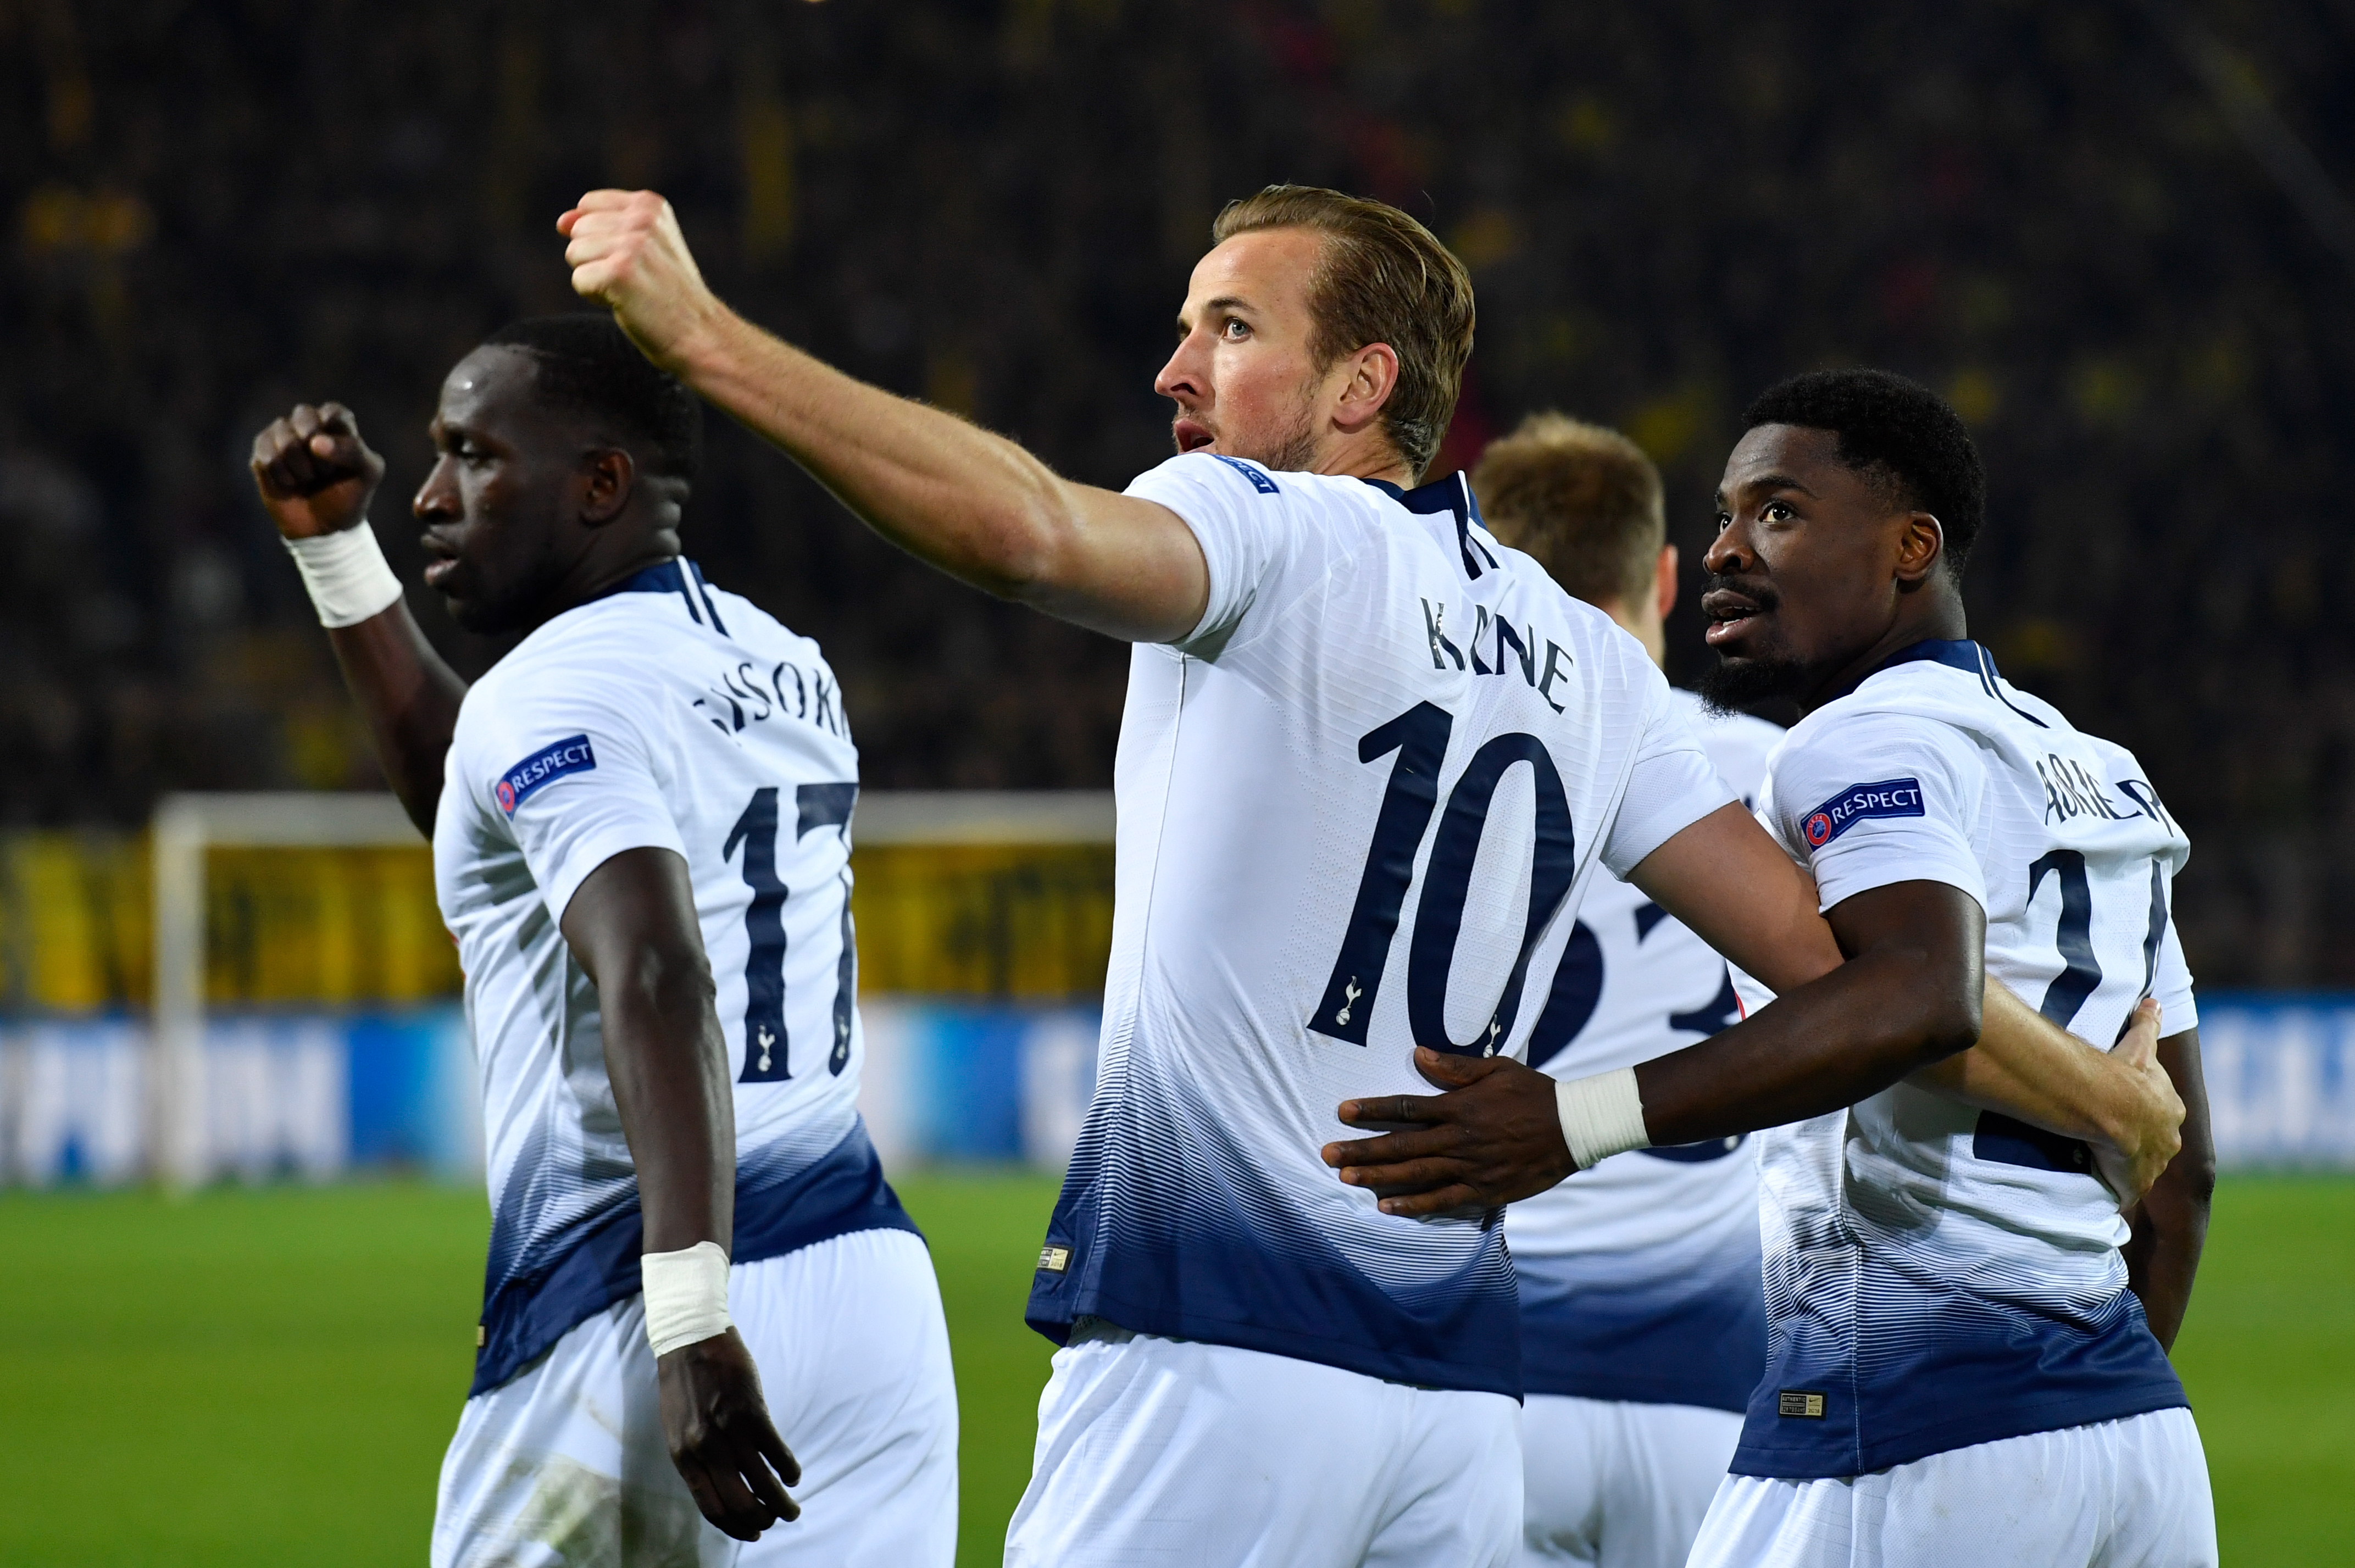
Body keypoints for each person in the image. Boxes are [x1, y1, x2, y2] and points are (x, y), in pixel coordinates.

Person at [554, 183, 2182, 1567]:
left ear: (1360, 387)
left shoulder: (1268, 540)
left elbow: (1033, 534)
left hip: (1211, 1349)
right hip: (1453, 1401)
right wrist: (2107, 1099)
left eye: (1229, 329)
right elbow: (1853, 973)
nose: (1173, 370)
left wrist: (707, 341)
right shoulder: (1582, 656)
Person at [247, 316, 957, 1567]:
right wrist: (338, 555)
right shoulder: (787, 663)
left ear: (599, 484)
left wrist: (689, 1318)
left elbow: (654, 967)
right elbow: (474, 796)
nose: (428, 493)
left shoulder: (551, 687)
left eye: (474, 455)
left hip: (641, 1296)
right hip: (869, 1288)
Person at [1679, 369, 2217, 1566]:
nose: (1723, 548)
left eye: (1776, 512)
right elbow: (2181, 1179)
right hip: (2135, 1434)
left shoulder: (1857, 741)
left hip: (1908, 1418)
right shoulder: (2110, 777)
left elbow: (1917, 993)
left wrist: (1583, 1120)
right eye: (1721, 513)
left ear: (1908, 548)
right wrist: (2082, 1405)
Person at [1470, 414, 1780, 1568]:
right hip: (1722, 1387)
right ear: (1661, 575)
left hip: (1495, 1390)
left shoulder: (1433, 775)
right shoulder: (1770, 775)